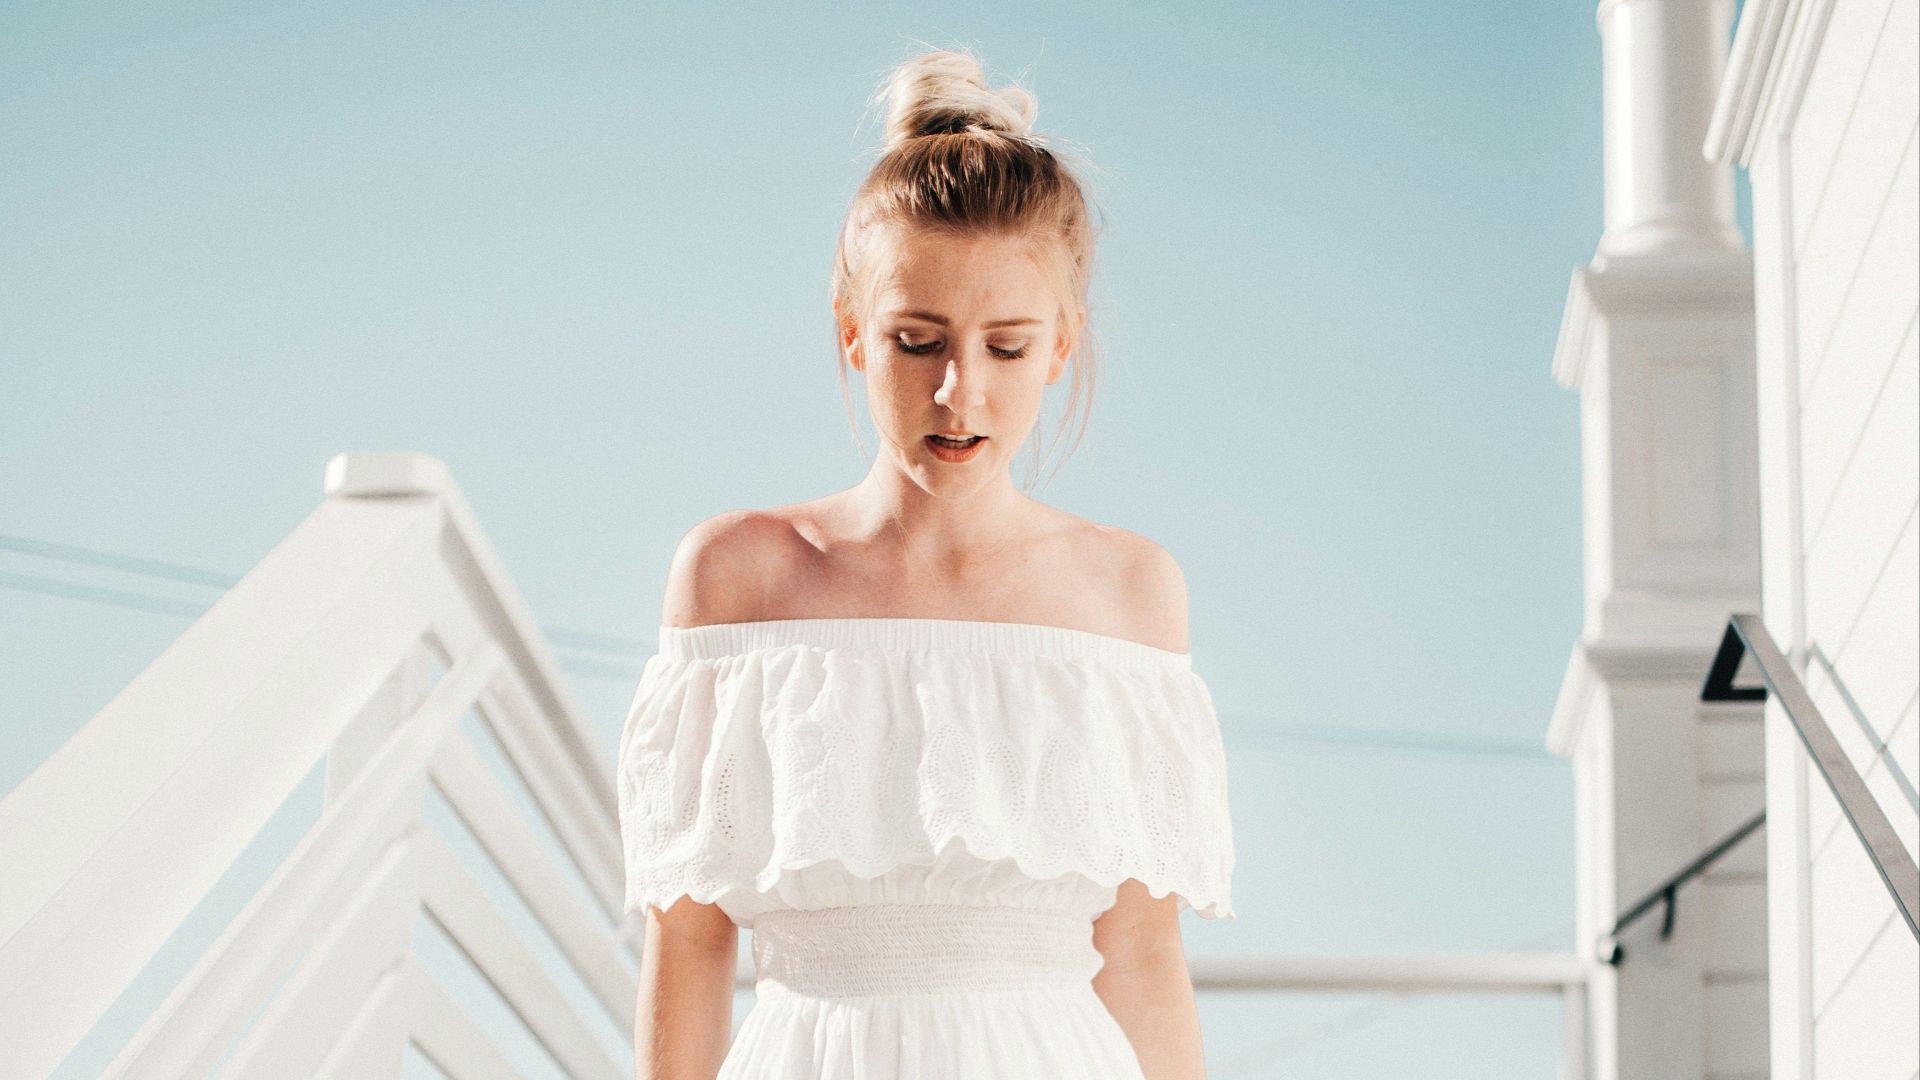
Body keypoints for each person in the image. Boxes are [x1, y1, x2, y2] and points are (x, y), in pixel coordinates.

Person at [617, 46, 1236, 1080]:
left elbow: (1141, 954)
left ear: (1062, 346)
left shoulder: (1131, 594)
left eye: (1005, 347)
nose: (960, 393)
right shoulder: (737, 576)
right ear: (852, 331)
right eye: (917, 341)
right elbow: (688, 942)